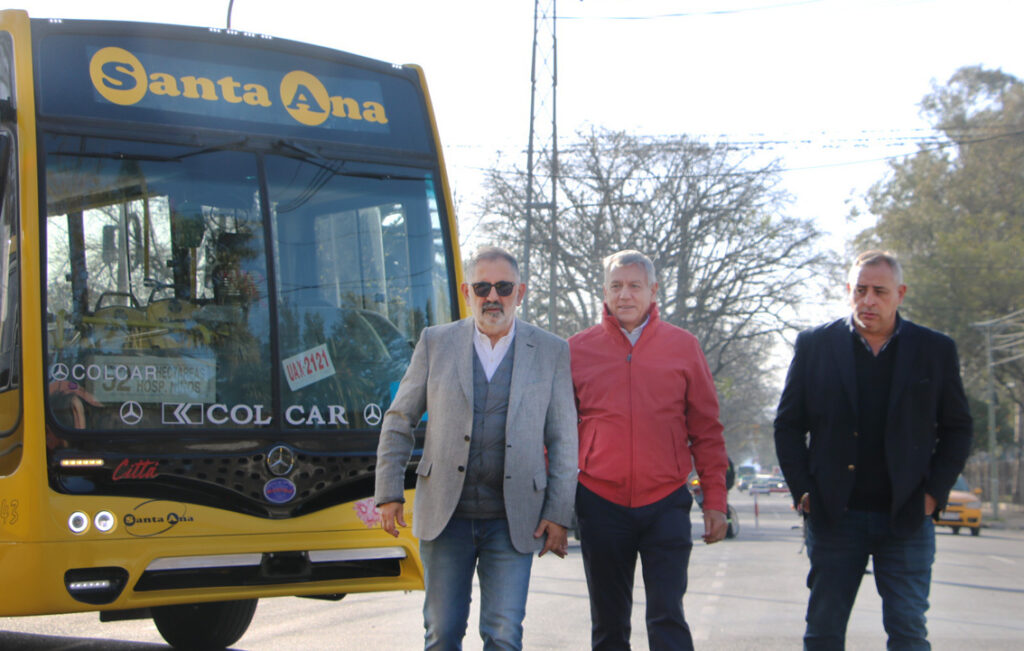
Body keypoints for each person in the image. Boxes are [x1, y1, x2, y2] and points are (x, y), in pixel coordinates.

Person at [374, 245, 578, 650]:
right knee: (442, 633)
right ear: (467, 292)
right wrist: (388, 492)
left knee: (504, 635)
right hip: (446, 517)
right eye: (482, 287)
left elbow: (563, 438)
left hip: (513, 519)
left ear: (520, 292)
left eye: (504, 287)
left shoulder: (551, 350)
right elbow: (399, 419)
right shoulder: (435, 342)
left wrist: (558, 512)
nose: (493, 297)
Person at [774, 250, 973, 650]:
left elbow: (958, 428)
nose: (868, 300)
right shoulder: (816, 345)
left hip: (907, 516)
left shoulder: (934, 349)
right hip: (834, 516)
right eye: (860, 290)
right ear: (849, 290)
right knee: (824, 631)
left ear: (900, 293)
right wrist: (804, 491)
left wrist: (933, 494)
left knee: (908, 631)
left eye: (879, 292)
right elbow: (788, 425)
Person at [569, 249, 729, 650]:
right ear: (604, 292)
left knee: (667, 617)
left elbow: (707, 430)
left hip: (666, 502)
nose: (625, 294)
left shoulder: (684, 347)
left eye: (634, 286)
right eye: (616, 286)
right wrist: (554, 510)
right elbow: (554, 435)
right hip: (599, 503)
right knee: (608, 625)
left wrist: (715, 501)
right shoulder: (575, 350)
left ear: (653, 291)